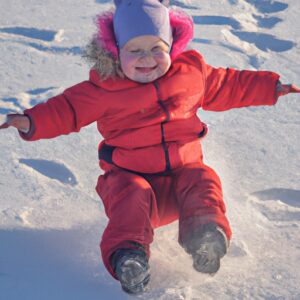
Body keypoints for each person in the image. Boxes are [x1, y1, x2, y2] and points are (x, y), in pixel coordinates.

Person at [1, 0, 299, 294]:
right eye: (136, 50)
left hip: (182, 181)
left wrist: (269, 87)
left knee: (204, 179)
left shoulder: (190, 75)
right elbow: (67, 109)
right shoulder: (105, 89)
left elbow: (227, 85)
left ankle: (205, 238)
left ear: (172, 46)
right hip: (131, 180)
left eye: (157, 48)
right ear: (116, 52)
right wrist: (30, 122)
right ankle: (128, 257)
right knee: (132, 195)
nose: (148, 58)